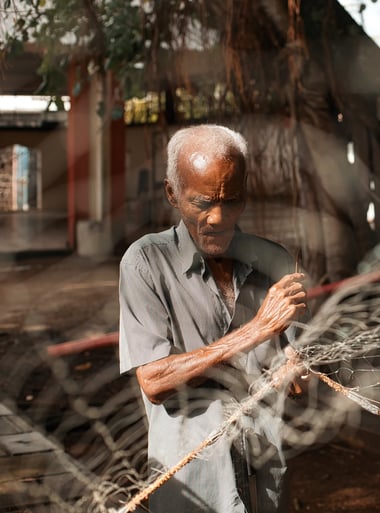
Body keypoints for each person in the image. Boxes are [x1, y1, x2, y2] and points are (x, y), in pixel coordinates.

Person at [118, 124, 308, 513]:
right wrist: (255, 330)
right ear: (172, 192)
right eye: (203, 202)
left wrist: (296, 372)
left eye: (232, 200)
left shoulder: (275, 260)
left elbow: (295, 360)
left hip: (267, 475)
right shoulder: (145, 263)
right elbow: (154, 380)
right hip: (195, 486)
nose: (218, 217)